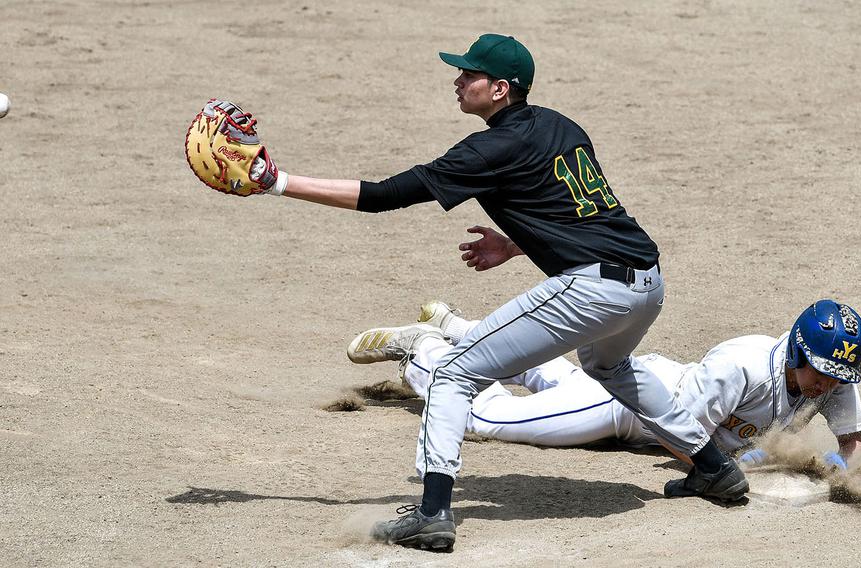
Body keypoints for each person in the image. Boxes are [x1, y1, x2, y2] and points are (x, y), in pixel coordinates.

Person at [202, 33, 748, 550]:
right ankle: (714, 470)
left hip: (595, 289)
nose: (458, 80)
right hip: (647, 284)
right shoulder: (561, 125)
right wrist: (515, 245)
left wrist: (278, 182)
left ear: (500, 88)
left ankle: (432, 513)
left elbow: (386, 195)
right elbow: (577, 210)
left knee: (455, 372)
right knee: (610, 369)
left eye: (469, 73)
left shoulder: (489, 148)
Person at [348, 299, 861, 470]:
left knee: (555, 375)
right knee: (484, 419)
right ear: (800, 351)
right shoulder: (743, 365)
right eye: (822, 372)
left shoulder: (833, 373)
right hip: (633, 408)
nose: (828, 386)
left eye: (837, 378)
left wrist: (847, 464)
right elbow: (679, 438)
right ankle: (425, 351)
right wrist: (753, 463)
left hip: (645, 394)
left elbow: (854, 442)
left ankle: (462, 330)